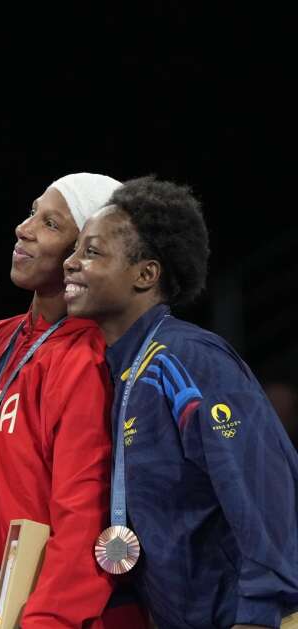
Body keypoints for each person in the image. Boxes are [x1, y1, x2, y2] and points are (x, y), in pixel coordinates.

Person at [63, 176, 298, 628]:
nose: (70, 264)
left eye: (91, 252)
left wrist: (257, 615)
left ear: (145, 274)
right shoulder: (121, 372)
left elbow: (266, 491)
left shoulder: (188, 361)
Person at [0, 173, 149, 628]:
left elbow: (83, 519)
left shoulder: (89, 360)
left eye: (50, 223)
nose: (24, 228)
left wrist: (47, 621)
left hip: (47, 613)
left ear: (84, 253)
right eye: (32, 213)